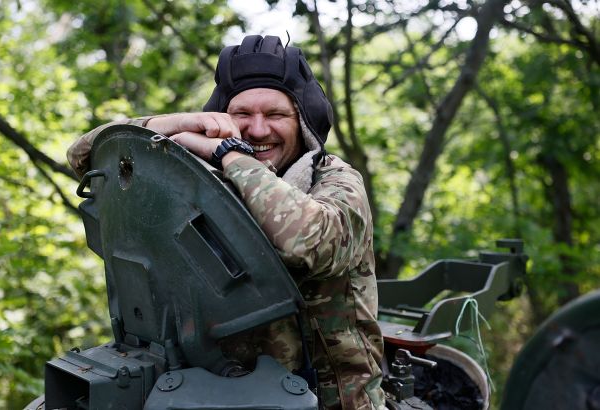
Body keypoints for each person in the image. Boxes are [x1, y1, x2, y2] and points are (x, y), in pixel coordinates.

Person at [67, 35, 385, 410]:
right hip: (219, 395)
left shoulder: (336, 182)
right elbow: (83, 155)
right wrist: (175, 124)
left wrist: (230, 154)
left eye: (276, 115)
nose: (258, 130)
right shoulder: (206, 179)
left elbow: (309, 242)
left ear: (303, 122)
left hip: (331, 401)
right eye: (242, 115)